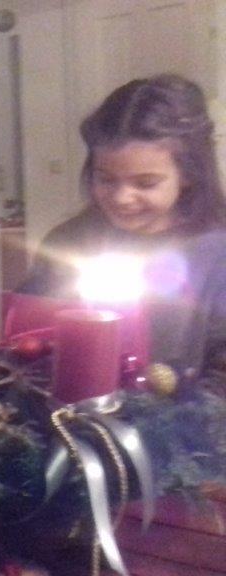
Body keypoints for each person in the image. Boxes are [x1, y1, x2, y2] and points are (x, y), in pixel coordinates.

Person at [18, 74, 226, 374]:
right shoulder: (69, 243)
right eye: (106, 179)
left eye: (145, 183)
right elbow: (28, 341)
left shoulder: (216, 253)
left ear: (188, 175)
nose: (122, 198)